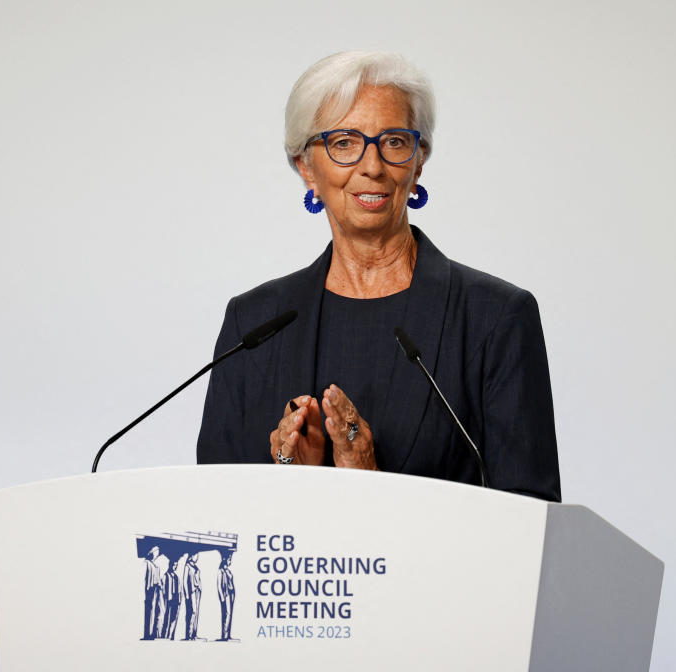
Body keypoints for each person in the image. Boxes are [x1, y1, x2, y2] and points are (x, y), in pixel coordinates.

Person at [197, 51, 560, 501]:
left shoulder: (495, 318)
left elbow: (531, 522)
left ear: (418, 161)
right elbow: (212, 510)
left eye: (393, 141)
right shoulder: (251, 325)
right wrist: (291, 478)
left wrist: (371, 480)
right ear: (306, 167)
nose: (372, 166)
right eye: (345, 142)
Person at [217, 552, 236, 641]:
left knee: (230, 614)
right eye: (229, 560)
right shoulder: (220, 571)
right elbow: (219, 586)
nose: (230, 562)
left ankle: (228, 634)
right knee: (226, 614)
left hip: (231, 593)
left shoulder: (228, 571)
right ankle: (224, 635)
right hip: (226, 594)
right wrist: (222, 597)